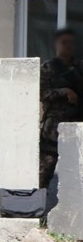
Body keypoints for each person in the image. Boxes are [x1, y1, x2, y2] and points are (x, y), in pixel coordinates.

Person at [39, 27, 83, 189]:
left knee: (75, 172)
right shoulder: (48, 68)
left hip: (76, 126)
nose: (68, 46)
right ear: (56, 44)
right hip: (53, 129)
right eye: (64, 42)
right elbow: (41, 93)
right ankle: (37, 207)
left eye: (71, 43)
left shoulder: (80, 67)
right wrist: (63, 91)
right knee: (44, 170)